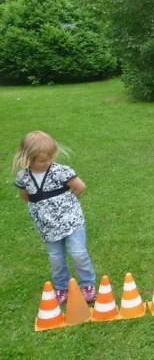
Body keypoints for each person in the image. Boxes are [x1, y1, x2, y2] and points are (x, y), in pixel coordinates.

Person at [13, 131, 97, 305]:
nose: (48, 162)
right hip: (48, 227)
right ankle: (62, 287)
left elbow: (80, 187)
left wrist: (68, 205)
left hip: (71, 221)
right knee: (56, 258)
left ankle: (87, 284)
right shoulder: (24, 178)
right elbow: (26, 197)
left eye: (50, 158)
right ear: (27, 158)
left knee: (78, 253)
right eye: (42, 160)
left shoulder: (60, 172)